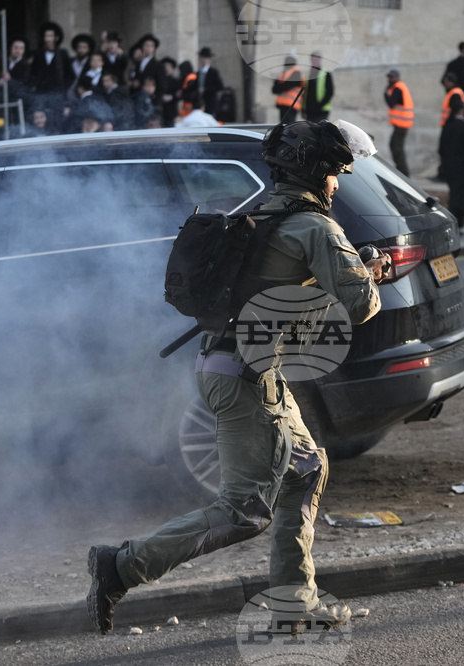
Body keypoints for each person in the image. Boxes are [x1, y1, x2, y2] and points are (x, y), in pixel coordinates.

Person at [86, 119, 387, 636]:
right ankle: (121, 566)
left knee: (308, 469)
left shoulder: (264, 214)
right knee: (244, 511)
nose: (339, 184)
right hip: (248, 378)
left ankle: (296, 604)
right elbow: (361, 307)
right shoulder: (316, 227)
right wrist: (370, 273)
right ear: (317, 175)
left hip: (231, 368)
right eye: (337, 174)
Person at [439, 96, 464, 232]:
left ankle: (457, 223)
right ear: (461, 110)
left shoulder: (447, 126)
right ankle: (457, 224)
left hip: (449, 166)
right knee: (459, 196)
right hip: (461, 166)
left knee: (454, 193)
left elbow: (441, 149)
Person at [29, 22, 74, 116]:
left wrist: (62, 87)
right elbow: (33, 73)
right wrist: (36, 85)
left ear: (56, 38)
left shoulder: (62, 53)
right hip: (42, 94)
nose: (48, 39)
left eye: (50, 36)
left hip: (58, 94)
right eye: (46, 36)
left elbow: (70, 75)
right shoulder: (38, 54)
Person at [384, 69, 414, 176]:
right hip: (402, 124)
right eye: (389, 78)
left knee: (396, 148)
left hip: (402, 124)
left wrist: (386, 94)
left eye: (392, 77)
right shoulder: (400, 87)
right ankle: (401, 171)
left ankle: (403, 173)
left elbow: (391, 103)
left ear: (397, 77)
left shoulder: (397, 88)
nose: (390, 80)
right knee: (395, 146)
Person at [304, 51, 334, 123]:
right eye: (313, 59)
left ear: (320, 60)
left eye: (317, 59)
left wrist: (319, 105)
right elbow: (305, 93)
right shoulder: (308, 75)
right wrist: (304, 109)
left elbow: (330, 92)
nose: (315, 61)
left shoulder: (325, 74)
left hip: (322, 110)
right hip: (310, 111)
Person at [273, 56, 304, 123]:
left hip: (292, 104)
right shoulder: (283, 73)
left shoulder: (296, 72)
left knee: (289, 125)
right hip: (283, 104)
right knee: (283, 126)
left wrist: (280, 85)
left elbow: (287, 85)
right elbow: (275, 89)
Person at [196, 47, 224, 117]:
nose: (204, 60)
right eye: (202, 57)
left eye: (206, 58)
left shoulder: (213, 72)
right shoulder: (198, 73)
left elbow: (220, 86)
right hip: (200, 103)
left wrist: (205, 90)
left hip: (210, 103)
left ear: (209, 59)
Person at [69, 34, 97, 98]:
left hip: (84, 95)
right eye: (79, 47)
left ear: (89, 49)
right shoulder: (70, 62)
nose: (81, 50)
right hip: (70, 93)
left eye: (84, 47)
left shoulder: (91, 63)